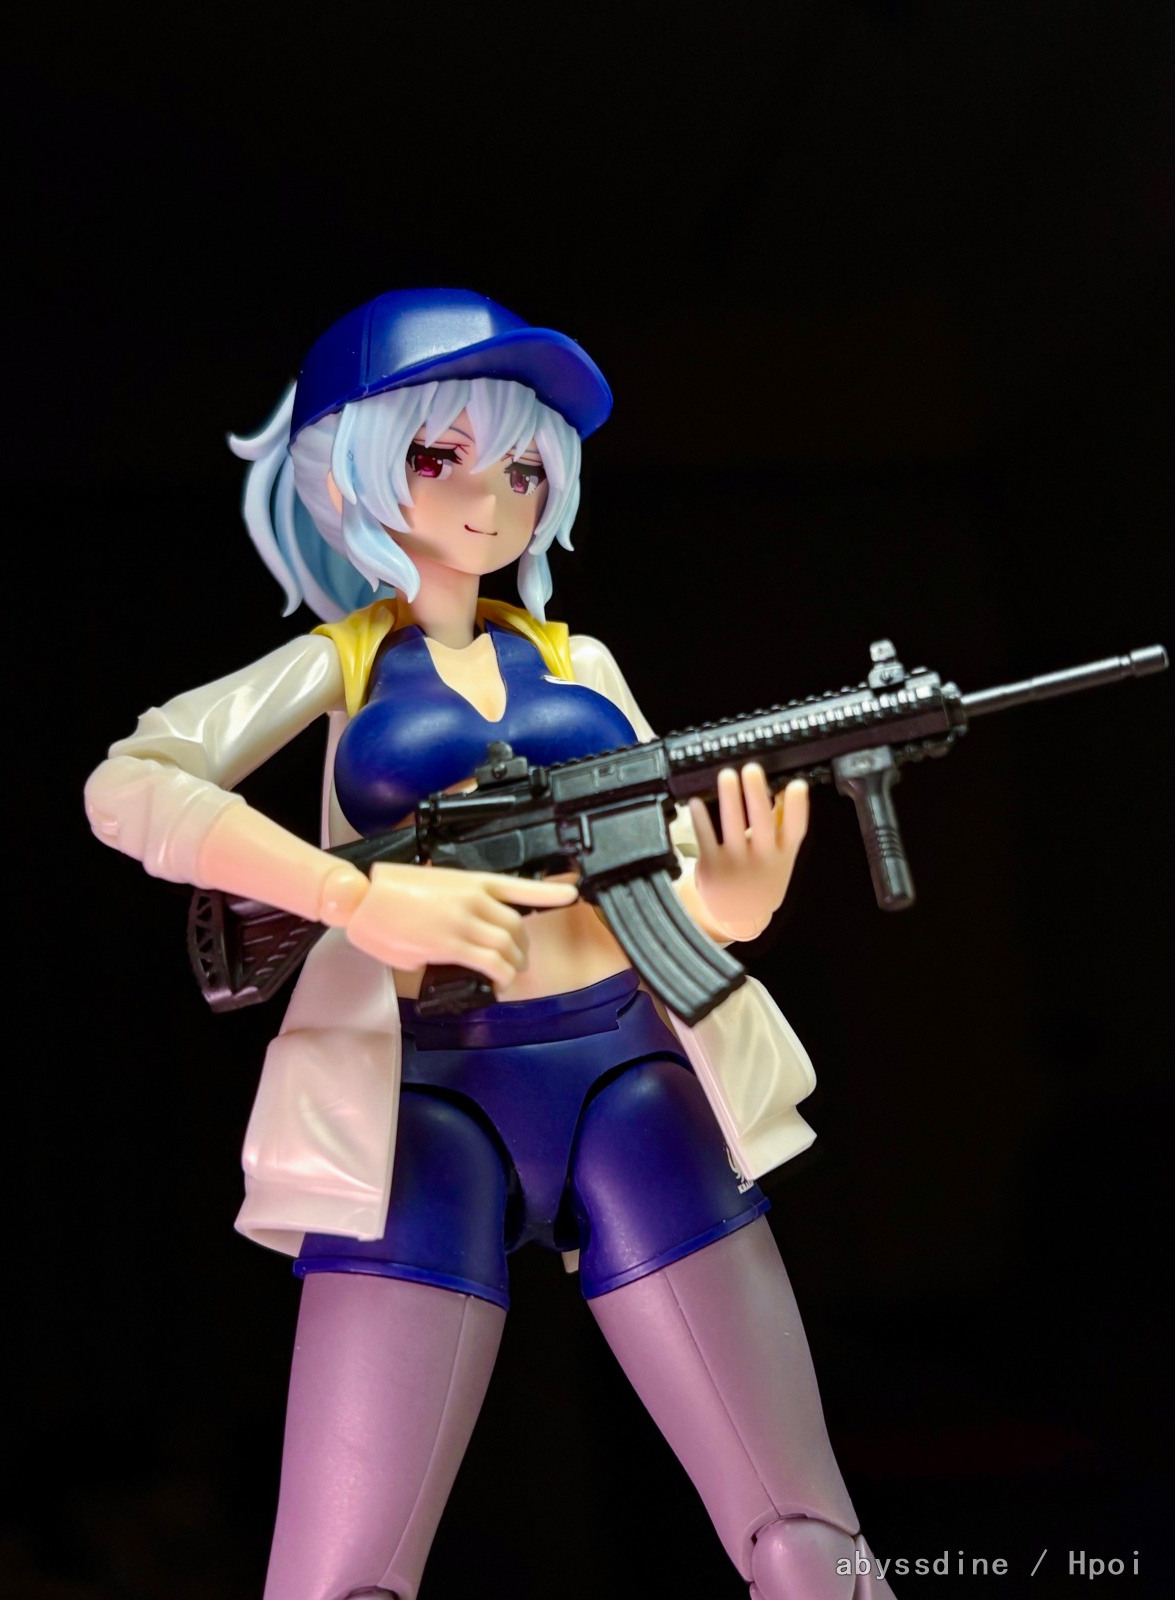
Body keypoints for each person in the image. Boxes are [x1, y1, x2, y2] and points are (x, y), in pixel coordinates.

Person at [85, 288, 894, 1599]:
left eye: (522, 468)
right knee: (339, 1580)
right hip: (421, 1104)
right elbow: (130, 784)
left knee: (806, 1537)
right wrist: (349, 897)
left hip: (630, 1075)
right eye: (438, 456)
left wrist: (729, 904)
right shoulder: (343, 665)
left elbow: (659, 871)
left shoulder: (582, 664)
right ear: (346, 475)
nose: (490, 497)